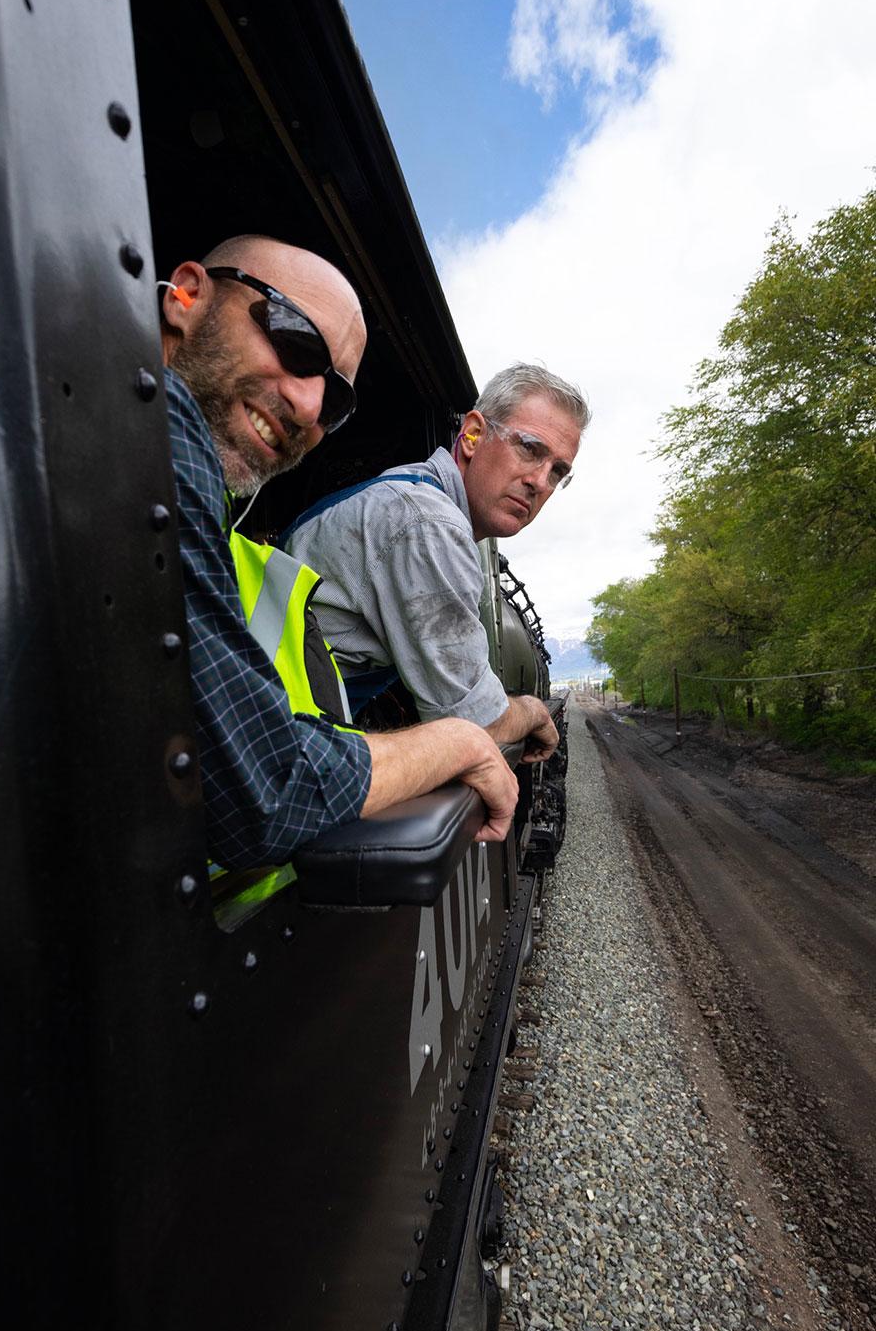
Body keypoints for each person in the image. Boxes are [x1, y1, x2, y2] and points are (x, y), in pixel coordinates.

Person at [159, 235, 518, 870]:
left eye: (337, 398)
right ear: (187, 295)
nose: (309, 406)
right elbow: (266, 789)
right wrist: (459, 742)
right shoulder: (165, 434)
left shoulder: (195, 494)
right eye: (296, 343)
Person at [284, 363, 590, 762]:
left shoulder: (409, 494)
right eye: (529, 448)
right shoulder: (429, 522)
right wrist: (532, 710)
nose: (540, 481)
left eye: (558, 472)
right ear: (473, 435)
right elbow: (476, 723)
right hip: (272, 749)